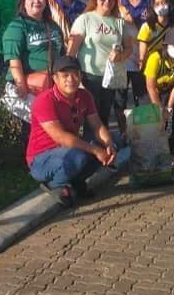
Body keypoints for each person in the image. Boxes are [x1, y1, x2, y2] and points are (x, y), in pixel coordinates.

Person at [27, 56, 119, 207]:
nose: (71, 79)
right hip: (41, 158)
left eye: (75, 74)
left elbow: (97, 125)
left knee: (115, 141)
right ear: (55, 78)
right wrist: (95, 150)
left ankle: (75, 180)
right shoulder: (45, 100)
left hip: (68, 151)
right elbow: (60, 137)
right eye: (65, 75)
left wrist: (109, 144)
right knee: (79, 156)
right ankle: (55, 184)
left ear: (81, 76)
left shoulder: (85, 95)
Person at [67, 0, 134, 129]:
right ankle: (89, 148)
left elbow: (129, 48)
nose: (107, 1)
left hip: (110, 77)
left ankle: (102, 148)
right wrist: (72, 77)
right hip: (88, 76)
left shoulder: (119, 23)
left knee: (103, 117)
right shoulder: (85, 19)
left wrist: (121, 56)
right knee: (89, 117)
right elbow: (71, 52)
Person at [2, 0, 65, 123]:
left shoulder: (52, 25)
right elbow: (14, 58)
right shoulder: (17, 26)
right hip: (28, 89)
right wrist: (20, 83)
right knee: (31, 130)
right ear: (23, 2)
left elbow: (61, 53)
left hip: (50, 86)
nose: (36, 1)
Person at [143, 27, 174, 160]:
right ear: (166, 45)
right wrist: (160, 110)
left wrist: (169, 108)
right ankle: (153, 155)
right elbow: (150, 87)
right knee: (155, 124)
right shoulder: (155, 58)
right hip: (153, 92)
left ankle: (172, 154)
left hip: (171, 91)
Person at [118, 0, 148, 107]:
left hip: (141, 60)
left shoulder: (149, 3)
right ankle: (123, 130)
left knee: (141, 100)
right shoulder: (115, 1)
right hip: (121, 60)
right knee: (119, 100)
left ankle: (139, 130)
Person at [137, 0, 174, 76]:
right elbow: (142, 55)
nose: (161, 6)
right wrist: (142, 65)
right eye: (157, 4)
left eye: (164, 2)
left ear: (169, 3)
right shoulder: (147, 27)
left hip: (170, 70)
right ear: (152, 6)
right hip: (151, 69)